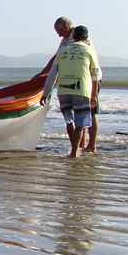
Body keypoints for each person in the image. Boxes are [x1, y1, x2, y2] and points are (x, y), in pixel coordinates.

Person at [44, 25, 100, 158]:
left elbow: (52, 74)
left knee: (70, 121)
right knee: (80, 124)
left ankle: (74, 150)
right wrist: (94, 96)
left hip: (63, 90)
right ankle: (74, 152)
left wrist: (46, 93)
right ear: (86, 38)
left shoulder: (62, 50)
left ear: (73, 37)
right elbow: (95, 75)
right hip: (81, 89)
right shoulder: (89, 50)